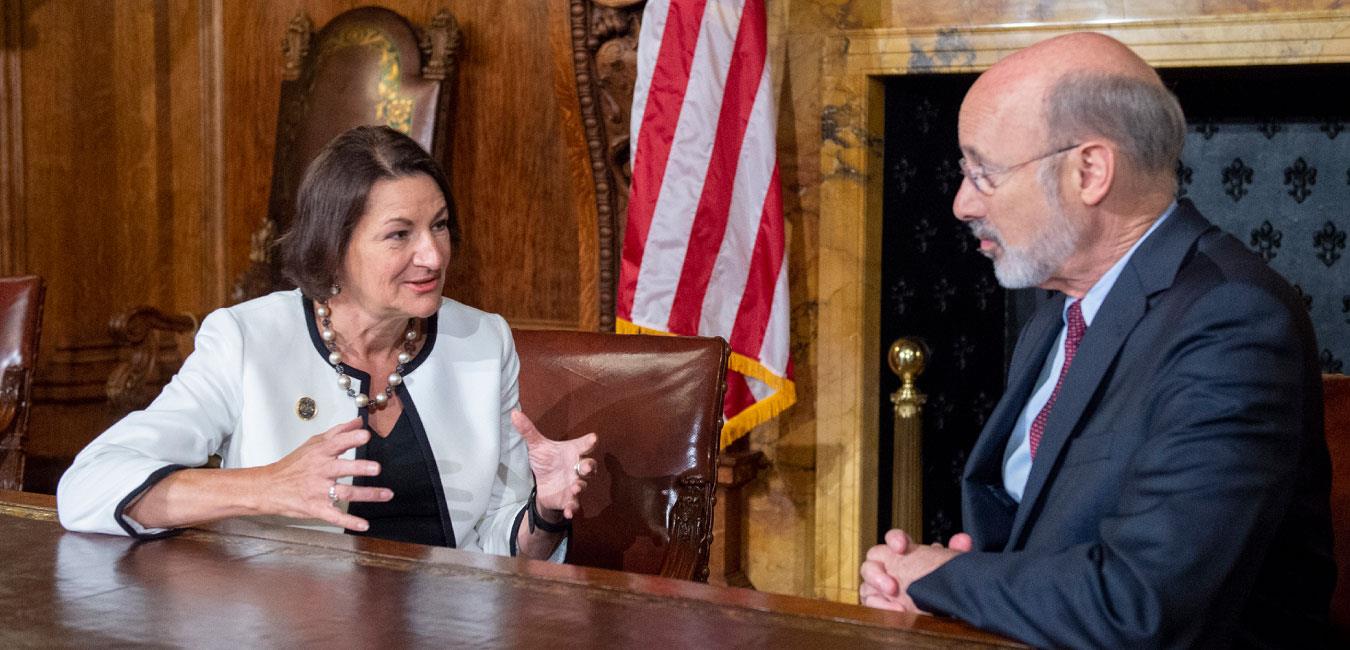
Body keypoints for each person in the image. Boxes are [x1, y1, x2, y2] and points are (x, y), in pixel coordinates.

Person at [859, 32, 1334, 647]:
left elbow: (1140, 605)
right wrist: (941, 582)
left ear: (1090, 170)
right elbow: (1037, 533)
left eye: (984, 173)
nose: (960, 203)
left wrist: (945, 578)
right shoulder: (1056, 312)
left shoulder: (1232, 321)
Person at [58, 125, 596, 561]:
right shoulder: (247, 339)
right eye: (399, 234)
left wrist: (545, 513)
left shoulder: (482, 340)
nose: (433, 255)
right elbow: (88, 488)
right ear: (334, 245)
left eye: (440, 226)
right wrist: (266, 486)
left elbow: (496, 551)